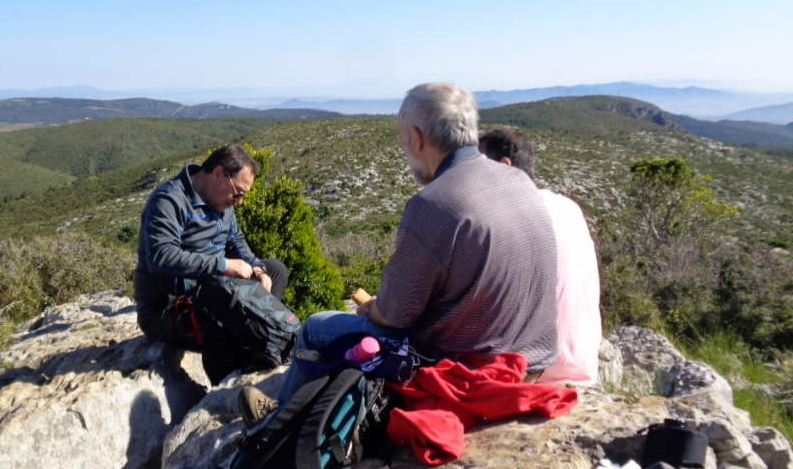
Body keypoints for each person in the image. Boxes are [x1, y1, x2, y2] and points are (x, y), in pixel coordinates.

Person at [238, 82, 559, 427]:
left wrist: (371, 308)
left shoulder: (434, 203)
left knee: (315, 327)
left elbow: (394, 316)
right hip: (532, 365)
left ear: (417, 138)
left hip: (465, 370)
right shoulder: (519, 181)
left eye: (404, 140)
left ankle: (278, 423)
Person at [134, 144, 289, 385]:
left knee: (275, 271)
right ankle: (231, 387)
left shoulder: (221, 202)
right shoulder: (169, 200)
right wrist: (223, 265)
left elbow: (235, 240)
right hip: (171, 307)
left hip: (212, 288)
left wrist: (257, 269)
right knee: (222, 327)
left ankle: (258, 343)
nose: (239, 202)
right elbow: (160, 257)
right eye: (237, 193)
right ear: (218, 173)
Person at [478, 127, 601, 385]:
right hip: (582, 371)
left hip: (530, 375)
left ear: (505, 167)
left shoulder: (507, 216)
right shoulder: (569, 208)